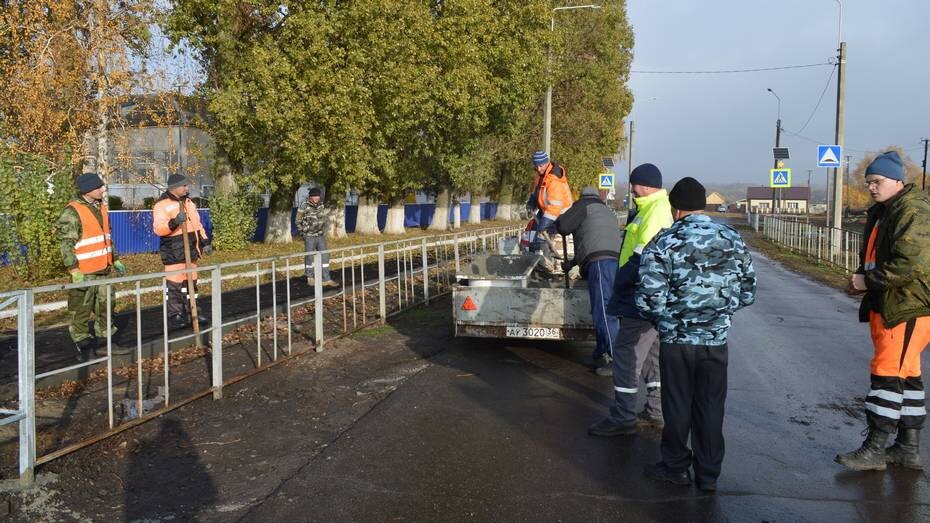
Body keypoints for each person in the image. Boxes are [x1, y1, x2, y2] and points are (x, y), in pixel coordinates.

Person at [636, 176, 756, 492]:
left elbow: (650, 296)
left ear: (676, 209)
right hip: (716, 342)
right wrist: (719, 315)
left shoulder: (664, 242)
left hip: (676, 342)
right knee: (711, 406)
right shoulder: (732, 238)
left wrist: (666, 320)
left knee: (677, 405)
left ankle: (675, 467)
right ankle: (708, 474)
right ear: (703, 206)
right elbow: (748, 291)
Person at [836, 150, 930, 471]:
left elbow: (910, 263)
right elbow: (878, 255)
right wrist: (863, 281)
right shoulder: (886, 210)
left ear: (898, 181)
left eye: (877, 182)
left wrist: (867, 281)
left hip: (907, 305)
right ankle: (907, 448)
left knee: (887, 374)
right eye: (869, 183)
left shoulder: (913, 210)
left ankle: (875, 449)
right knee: (908, 376)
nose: (871, 188)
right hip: (890, 303)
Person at [589, 163, 672, 435]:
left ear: (645, 185)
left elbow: (644, 257)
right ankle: (655, 411)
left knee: (626, 353)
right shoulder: (650, 208)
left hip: (640, 296)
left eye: (635, 185)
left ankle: (623, 417)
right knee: (651, 355)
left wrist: (624, 284)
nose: (633, 190)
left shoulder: (655, 211)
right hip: (645, 295)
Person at [57, 172, 129, 362]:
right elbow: (66, 243)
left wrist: (115, 259)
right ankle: (82, 346)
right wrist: (73, 269)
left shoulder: (101, 208)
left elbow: (107, 237)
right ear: (88, 190)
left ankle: (106, 343)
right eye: (99, 187)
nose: (103, 190)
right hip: (85, 272)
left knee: (106, 307)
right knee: (80, 310)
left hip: (103, 270)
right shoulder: (72, 212)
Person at [555, 186, 623, 376]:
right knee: (601, 309)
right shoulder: (605, 210)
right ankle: (601, 352)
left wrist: (556, 219)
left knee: (604, 311)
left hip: (600, 264)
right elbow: (593, 239)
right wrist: (573, 262)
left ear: (582, 197)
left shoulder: (583, 205)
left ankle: (616, 361)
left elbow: (563, 226)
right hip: (613, 261)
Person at [153, 174, 211, 330]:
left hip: (191, 250)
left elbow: (197, 225)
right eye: (184, 186)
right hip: (173, 252)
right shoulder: (162, 205)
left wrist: (205, 242)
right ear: (174, 187)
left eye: (187, 185)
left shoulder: (189, 202)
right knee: (174, 286)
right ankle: (175, 315)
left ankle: (193, 311)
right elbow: (159, 229)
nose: (187, 188)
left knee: (191, 284)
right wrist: (175, 222)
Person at [526, 151, 572, 254]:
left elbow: (554, 207)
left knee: (549, 242)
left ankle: (553, 263)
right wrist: (531, 203)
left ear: (546, 163)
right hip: (546, 213)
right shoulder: (540, 176)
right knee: (536, 238)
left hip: (561, 216)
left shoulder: (554, 179)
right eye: (536, 166)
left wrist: (543, 226)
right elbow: (536, 193)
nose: (538, 169)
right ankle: (539, 259)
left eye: (541, 166)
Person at [295, 186, 338, 288]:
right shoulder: (304, 205)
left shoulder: (321, 205)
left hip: (320, 235)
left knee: (325, 255)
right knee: (309, 257)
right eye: (314, 196)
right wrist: (303, 233)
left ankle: (326, 279)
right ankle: (310, 278)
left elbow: (323, 218)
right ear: (310, 197)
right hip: (309, 236)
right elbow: (297, 221)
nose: (316, 198)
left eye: (318, 196)